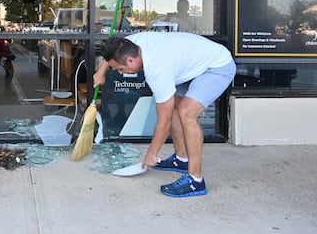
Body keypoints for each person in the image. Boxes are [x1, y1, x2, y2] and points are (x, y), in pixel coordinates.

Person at [93, 32, 236, 197]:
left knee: (186, 113)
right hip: (193, 65)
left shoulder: (156, 70)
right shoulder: (131, 44)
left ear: (130, 60)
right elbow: (113, 51)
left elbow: (164, 120)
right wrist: (101, 71)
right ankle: (181, 159)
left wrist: (152, 154)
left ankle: (195, 181)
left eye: (120, 68)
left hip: (216, 67)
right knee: (175, 103)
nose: (119, 72)